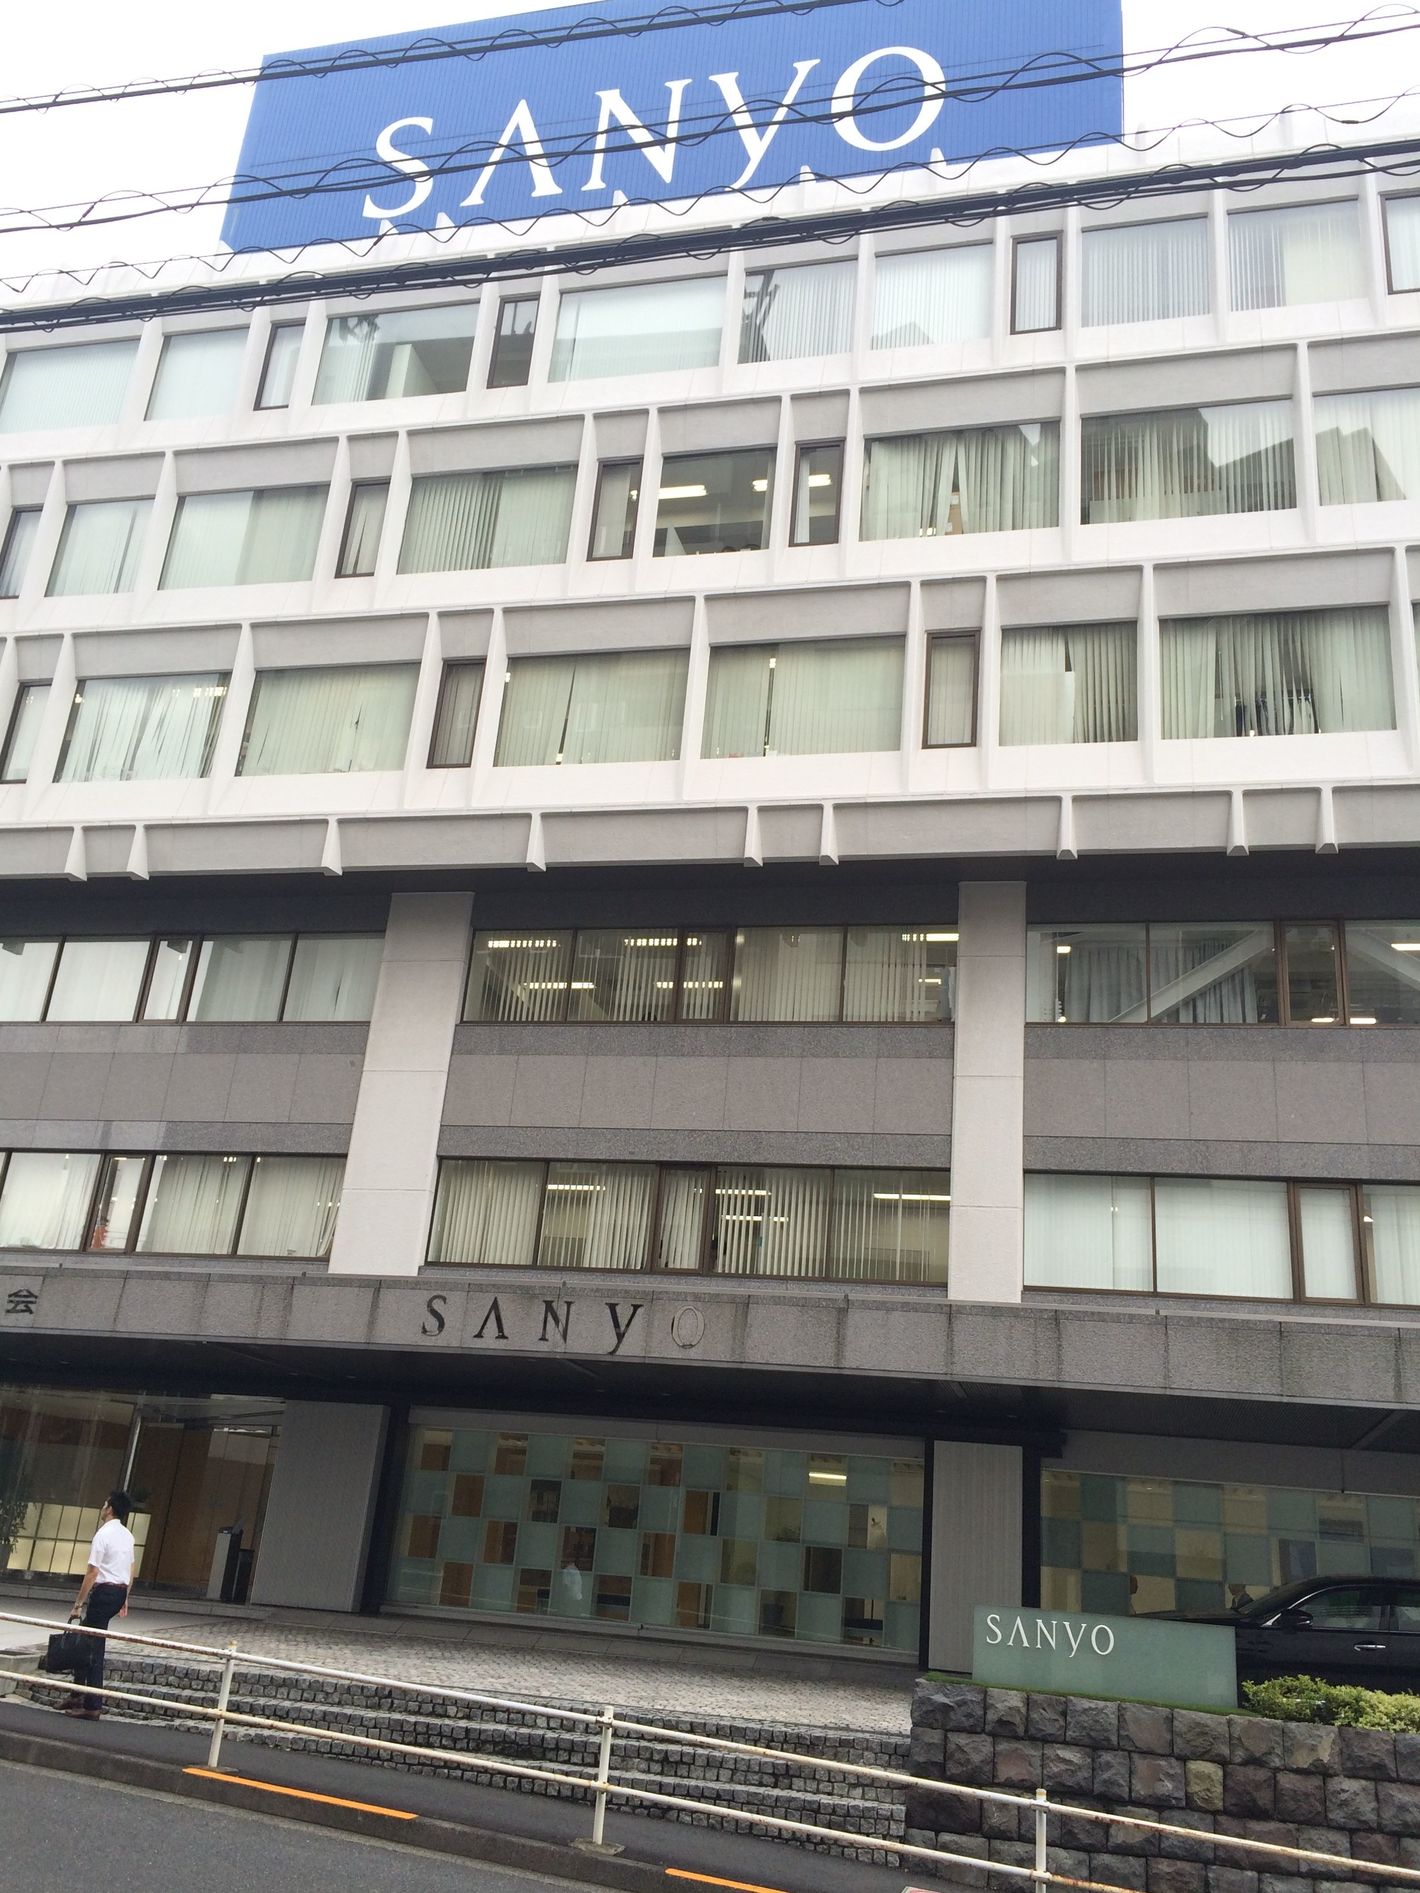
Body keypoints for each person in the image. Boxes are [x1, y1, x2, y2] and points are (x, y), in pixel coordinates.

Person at [64, 1491, 135, 1720]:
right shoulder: (127, 1535)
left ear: (110, 1508)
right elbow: (130, 1569)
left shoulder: (103, 1534)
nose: (102, 1506)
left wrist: (78, 1603)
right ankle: (77, 1693)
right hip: (119, 1591)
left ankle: (92, 1704)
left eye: (105, 1503)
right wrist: (125, 1597)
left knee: (93, 1646)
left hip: (104, 1592)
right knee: (86, 1639)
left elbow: (92, 1572)